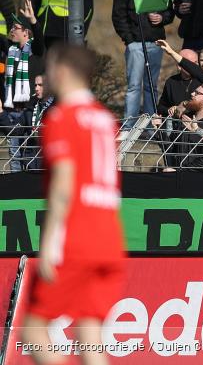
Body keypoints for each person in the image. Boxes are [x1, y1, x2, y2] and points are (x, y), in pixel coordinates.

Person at [22, 44, 124, 364]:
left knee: (33, 331)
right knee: (90, 336)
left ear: (63, 72)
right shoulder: (105, 120)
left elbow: (63, 185)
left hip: (76, 237)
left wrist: (50, 242)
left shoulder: (62, 118)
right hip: (109, 238)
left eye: (50, 68)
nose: (46, 75)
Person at [111, 0, 174, 130]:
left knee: (151, 86)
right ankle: (129, 126)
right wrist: (130, 40)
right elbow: (118, 15)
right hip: (135, 45)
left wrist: (162, 18)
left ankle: (150, 126)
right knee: (134, 86)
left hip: (156, 42)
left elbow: (170, 11)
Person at [2, 0, 45, 172]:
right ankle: (15, 188)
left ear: (26, 32)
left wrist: (33, 20)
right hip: (13, 111)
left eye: (15, 28)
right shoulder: (11, 50)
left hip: (30, 111)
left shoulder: (35, 50)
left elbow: (40, 39)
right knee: (14, 154)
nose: (11, 30)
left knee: (31, 153)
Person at [21, 74, 54, 171]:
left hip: (50, 163)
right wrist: (1, 112)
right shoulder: (30, 107)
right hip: (31, 163)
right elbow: (14, 130)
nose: (36, 88)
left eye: (40, 85)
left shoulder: (59, 107)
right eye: (35, 85)